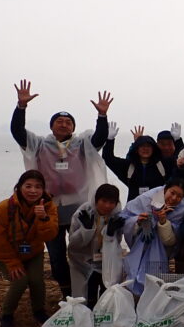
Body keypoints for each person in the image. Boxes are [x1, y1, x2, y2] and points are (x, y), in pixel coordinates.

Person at [11, 80, 112, 300]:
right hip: (50, 210)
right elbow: (17, 132)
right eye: (59, 121)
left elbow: (99, 138)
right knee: (56, 257)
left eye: (68, 122)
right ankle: (67, 294)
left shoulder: (81, 143)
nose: (64, 124)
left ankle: (85, 291)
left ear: (73, 127)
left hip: (79, 209)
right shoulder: (39, 144)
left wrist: (102, 116)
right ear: (52, 126)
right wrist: (21, 107)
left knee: (84, 253)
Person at [0, 170, 59, 327]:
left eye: (38, 187)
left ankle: (39, 311)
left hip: (33, 252)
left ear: (43, 189)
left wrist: (43, 218)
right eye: (28, 186)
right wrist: (13, 263)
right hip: (5, 254)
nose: (33, 191)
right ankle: (7, 315)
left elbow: (50, 235)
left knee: (36, 280)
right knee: (20, 280)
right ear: (19, 187)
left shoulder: (48, 206)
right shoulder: (4, 207)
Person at [120, 178, 184, 295]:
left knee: (156, 282)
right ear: (165, 189)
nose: (173, 198)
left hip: (161, 252)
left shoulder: (180, 209)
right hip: (140, 245)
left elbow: (171, 241)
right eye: (172, 193)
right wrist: (138, 222)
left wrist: (163, 222)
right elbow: (125, 218)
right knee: (135, 276)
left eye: (179, 196)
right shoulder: (147, 199)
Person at [68, 184, 125, 307]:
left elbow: (116, 243)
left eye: (111, 202)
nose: (107, 206)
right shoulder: (83, 213)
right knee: (87, 296)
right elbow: (73, 246)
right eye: (103, 201)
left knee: (106, 293)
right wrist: (86, 230)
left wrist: (110, 234)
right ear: (96, 200)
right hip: (84, 261)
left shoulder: (116, 216)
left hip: (105, 262)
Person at [102, 124, 171, 203]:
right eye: (142, 146)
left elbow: (180, 160)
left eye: (148, 146)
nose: (145, 149)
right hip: (133, 212)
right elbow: (108, 159)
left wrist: (177, 140)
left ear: (153, 149)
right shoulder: (128, 166)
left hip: (157, 211)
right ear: (136, 149)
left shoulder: (162, 165)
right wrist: (110, 140)